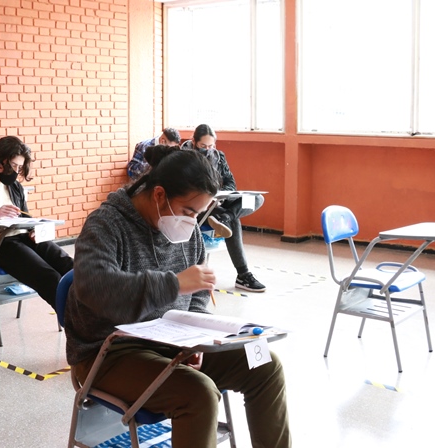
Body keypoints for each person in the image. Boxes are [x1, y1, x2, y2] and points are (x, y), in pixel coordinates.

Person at [65, 146, 291, 448]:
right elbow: (95, 289)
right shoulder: (106, 225)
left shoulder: (188, 232)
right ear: (159, 195)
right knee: (198, 394)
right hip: (108, 352)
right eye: (188, 211)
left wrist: (197, 338)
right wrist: (173, 284)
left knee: (265, 364)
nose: (192, 221)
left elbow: (198, 297)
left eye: (199, 213)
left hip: (171, 345)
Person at [0, 136, 74, 310]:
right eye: (13, 166)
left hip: (22, 236)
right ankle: (76, 323)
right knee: (48, 276)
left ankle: (94, 310)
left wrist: (33, 229)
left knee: (68, 265)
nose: (16, 171)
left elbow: (24, 217)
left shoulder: (15, 187)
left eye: (19, 167)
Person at [181, 124, 267, 293]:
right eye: (203, 146)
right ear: (194, 142)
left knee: (257, 198)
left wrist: (220, 194)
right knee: (233, 222)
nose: (207, 150)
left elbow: (230, 182)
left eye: (211, 146)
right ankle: (243, 274)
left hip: (219, 203)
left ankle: (226, 217)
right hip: (198, 205)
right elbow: (184, 187)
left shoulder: (219, 156)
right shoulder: (184, 158)